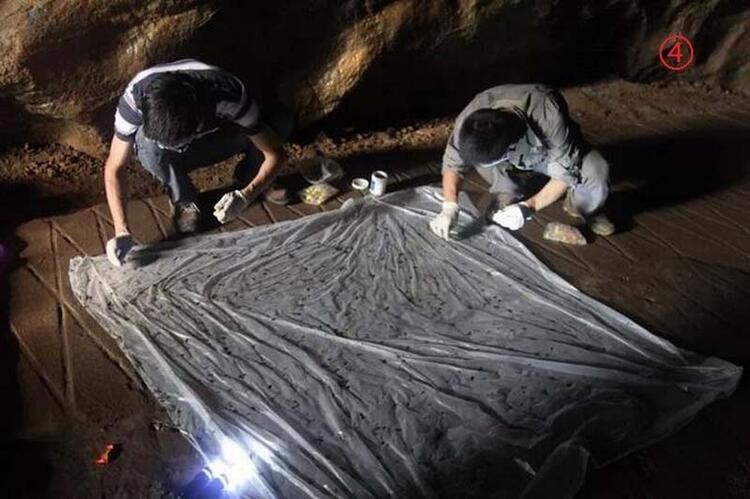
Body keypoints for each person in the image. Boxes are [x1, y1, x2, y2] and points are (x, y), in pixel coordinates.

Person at [103, 59, 290, 267]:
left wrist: (247, 194)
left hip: (220, 136)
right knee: (148, 147)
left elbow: (275, 154)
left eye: (177, 143)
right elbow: (115, 167)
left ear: (198, 124)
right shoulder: (135, 98)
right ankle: (183, 199)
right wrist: (121, 230)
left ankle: (251, 177)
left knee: (279, 123)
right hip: (175, 144)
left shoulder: (228, 94)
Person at [430, 84, 614, 240]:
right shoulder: (471, 119)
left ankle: (580, 208)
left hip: (550, 154)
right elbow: (452, 163)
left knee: (596, 170)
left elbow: (566, 172)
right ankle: (507, 193)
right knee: (501, 200)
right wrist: (449, 206)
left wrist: (529, 207)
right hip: (508, 160)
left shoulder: (547, 113)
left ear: (511, 146)